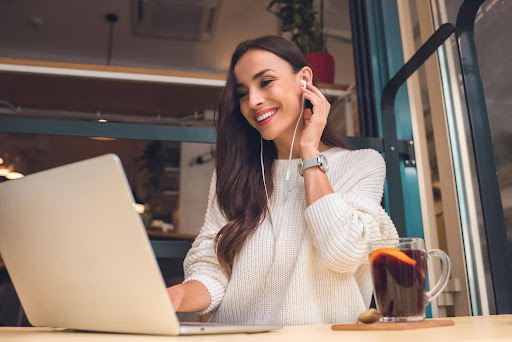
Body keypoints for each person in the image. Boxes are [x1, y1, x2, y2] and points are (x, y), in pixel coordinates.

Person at [167, 35, 398, 326]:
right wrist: (174, 296)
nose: (253, 101)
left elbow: (343, 252)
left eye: (265, 82)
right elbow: (212, 269)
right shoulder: (233, 175)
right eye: (242, 93)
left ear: (304, 79)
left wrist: (309, 152)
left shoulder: (361, 164)